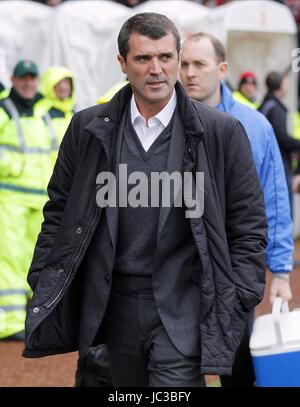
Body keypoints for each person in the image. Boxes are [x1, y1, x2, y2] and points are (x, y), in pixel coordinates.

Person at [23, 13, 267, 387]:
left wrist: (238, 295)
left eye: (166, 57)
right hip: (110, 308)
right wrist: (43, 275)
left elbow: (247, 223)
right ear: (122, 63)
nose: (157, 69)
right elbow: (59, 210)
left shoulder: (221, 132)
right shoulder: (87, 129)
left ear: (177, 58)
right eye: (143, 58)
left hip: (182, 307)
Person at [180, 32, 293, 387]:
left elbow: (273, 198)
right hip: (175, 265)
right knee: (176, 365)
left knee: (239, 364)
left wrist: (282, 272)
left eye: (199, 64)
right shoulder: (163, 120)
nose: (189, 73)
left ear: (222, 68)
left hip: (233, 265)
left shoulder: (255, 126)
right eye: (183, 64)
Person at [0, 60, 56, 340]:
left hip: (41, 199)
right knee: (8, 259)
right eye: (23, 78)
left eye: (32, 78)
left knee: (37, 260)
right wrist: (12, 165)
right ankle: (9, 323)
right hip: (9, 197)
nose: (28, 83)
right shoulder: (3, 109)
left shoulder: (44, 112)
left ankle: (37, 319)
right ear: (13, 79)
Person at [259, 71, 300, 215]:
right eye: (286, 83)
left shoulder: (266, 104)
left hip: (268, 164)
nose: (288, 86)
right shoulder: (275, 108)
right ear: (280, 85)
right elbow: (281, 138)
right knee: (282, 211)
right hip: (279, 166)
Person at [36, 66, 75, 166]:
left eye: (66, 82)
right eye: (57, 83)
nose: (63, 87)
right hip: (48, 171)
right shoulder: (41, 112)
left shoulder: (73, 112)